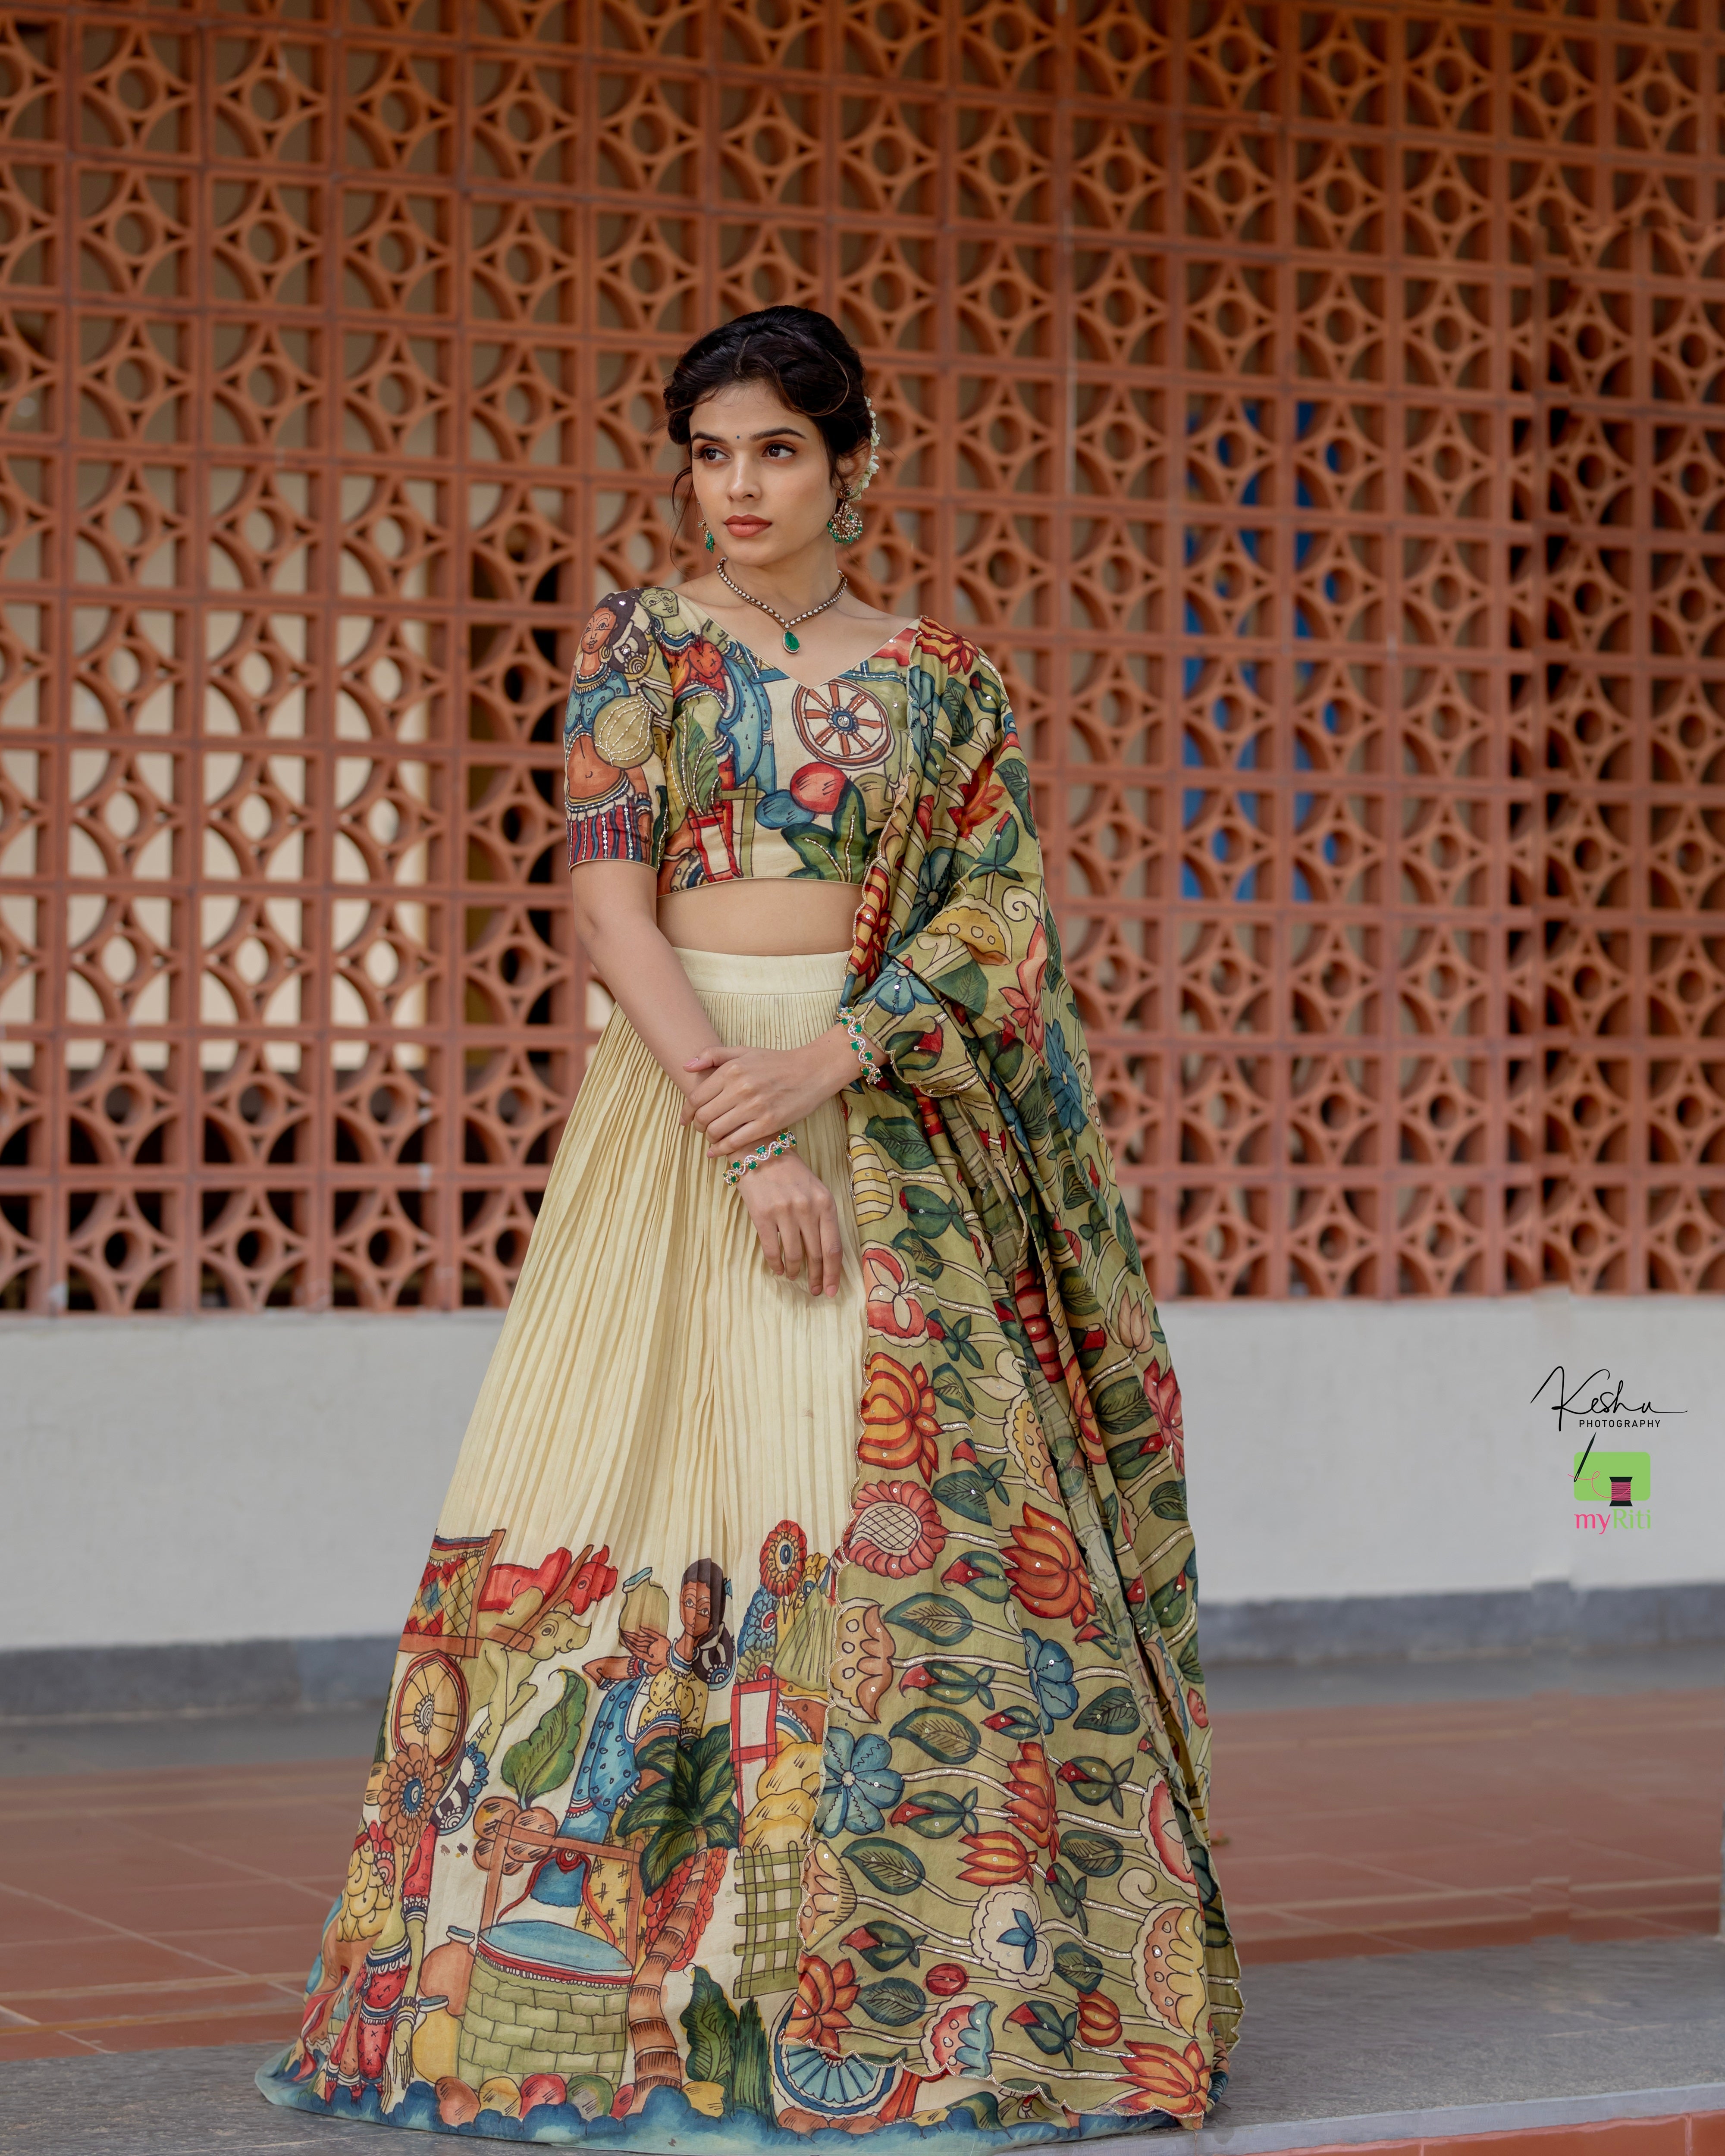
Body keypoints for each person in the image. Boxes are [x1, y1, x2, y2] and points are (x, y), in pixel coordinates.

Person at [258, 305, 1242, 2145]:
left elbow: (996, 919)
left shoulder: (946, 675)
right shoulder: (646, 644)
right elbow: (609, 907)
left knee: (921, 1511)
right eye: (709, 453)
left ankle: (944, 1990)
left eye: (774, 449)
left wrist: (842, 1062)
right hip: (681, 1104)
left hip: (870, 1107)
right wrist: (741, 1109)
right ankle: (606, 1993)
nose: (738, 488)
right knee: (637, 1490)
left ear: (854, 457)